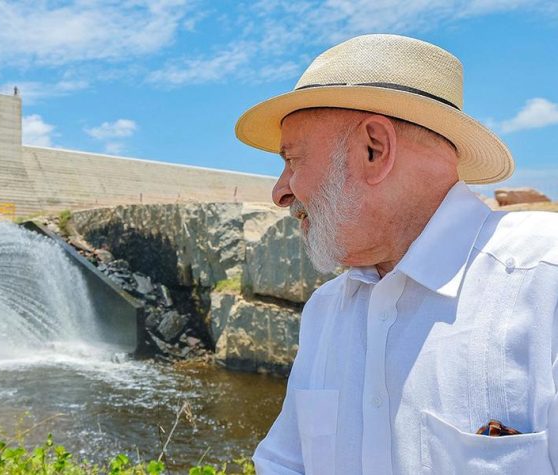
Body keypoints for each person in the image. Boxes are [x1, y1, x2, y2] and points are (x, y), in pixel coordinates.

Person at [234, 34, 558, 474]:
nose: (279, 192)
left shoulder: (546, 284)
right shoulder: (325, 309)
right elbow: (285, 464)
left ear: (375, 149)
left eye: (292, 159)